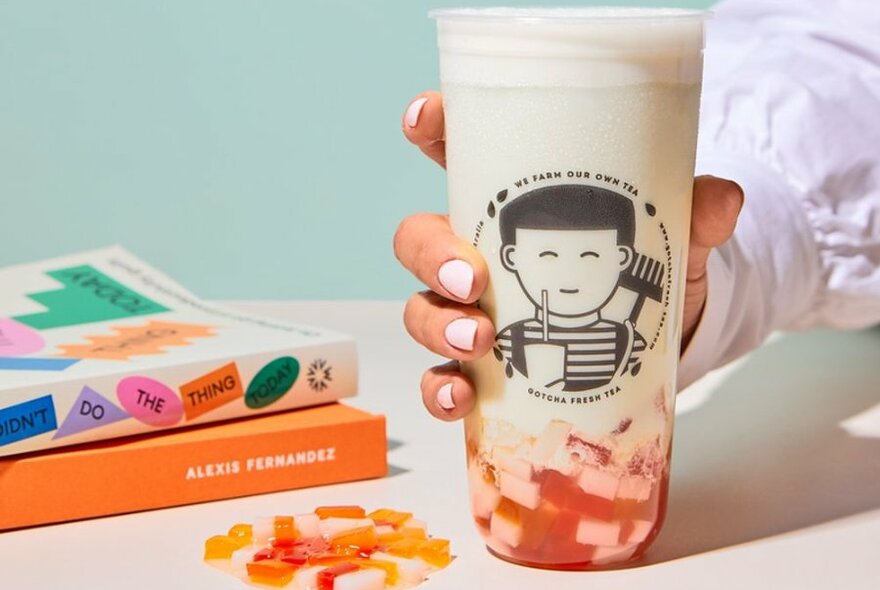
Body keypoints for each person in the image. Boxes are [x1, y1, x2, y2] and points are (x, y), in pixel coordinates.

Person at [393, 0, 880, 421]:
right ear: (514, 258)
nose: (567, 275)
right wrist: (697, 281)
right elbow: (808, 36)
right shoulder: (528, 333)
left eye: (589, 259)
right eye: (544, 258)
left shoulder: (620, 331)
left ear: (622, 259)